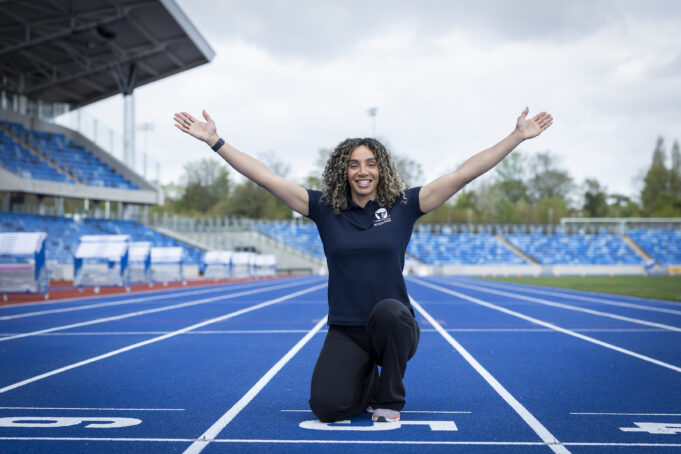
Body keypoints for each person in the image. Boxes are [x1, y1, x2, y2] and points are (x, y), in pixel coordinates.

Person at [174, 107, 553, 423]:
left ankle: (389, 400)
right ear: (344, 170)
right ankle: (367, 379)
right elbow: (266, 178)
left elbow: (463, 174)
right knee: (327, 408)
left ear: (381, 168)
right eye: (354, 165)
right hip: (347, 330)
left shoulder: (404, 205)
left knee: (389, 311)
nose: (363, 171)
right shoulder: (323, 208)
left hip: (394, 326)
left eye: (371, 163)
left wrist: (515, 137)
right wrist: (215, 142)